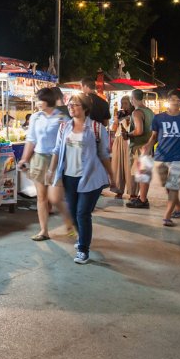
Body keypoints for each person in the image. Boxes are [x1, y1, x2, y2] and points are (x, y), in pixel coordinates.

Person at [46, 94, 113, 264]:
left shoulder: (97, 128)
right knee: (74, 213)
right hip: (69, 176)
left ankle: (83, 249)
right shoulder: (64, 127)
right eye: (70, 105)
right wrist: (51, 170)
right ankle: (82, 237)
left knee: (83, 213)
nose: (71, 108)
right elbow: (56, 150)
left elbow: (104, 154)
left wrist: (112, 174)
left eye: (75, 105)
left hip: (90, 177)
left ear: (85, 108)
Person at [18, 87, 72, 241]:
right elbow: (31, 140)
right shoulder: (35, 117)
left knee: (55, 198)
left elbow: (69, 141)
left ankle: (69, 218)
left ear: (48, 100)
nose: (38, 103)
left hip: (57, 161)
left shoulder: (62, 117)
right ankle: (44, 231)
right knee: (41, 197)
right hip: (39, 159)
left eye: (40, 100)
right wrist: (24, 159)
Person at [142, 89, 180, 227]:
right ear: (168, 101)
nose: (176, 102)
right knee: (166, 184)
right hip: (161, 155)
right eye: (173, 99)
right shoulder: (158, 118)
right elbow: (154, 136)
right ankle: (178, 207)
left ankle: (167, 215)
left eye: (179, 100)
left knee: (173, 186)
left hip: (178, 156)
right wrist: (148, 146)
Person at [126, 89, 156, 209]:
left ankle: (143, 200)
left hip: (139, 146)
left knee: (142, 173)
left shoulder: (137, 112)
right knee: (144, 173)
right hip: (148, 145)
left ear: (132, 98)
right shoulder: (149, 111)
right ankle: (142, 197)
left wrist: (128, 134)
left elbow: (139, 130)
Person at [109, 96, 134, 198]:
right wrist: (117, 119)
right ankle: (119, 190)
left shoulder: (134, 114)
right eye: (122, 103)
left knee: (129, 167)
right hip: (119, 139)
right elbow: (114, 128)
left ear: (131, 103)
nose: (123, 105)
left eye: (125, 103)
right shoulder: (120, 114)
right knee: (117, 166)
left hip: (129, 139)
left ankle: (132, 192)